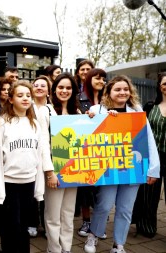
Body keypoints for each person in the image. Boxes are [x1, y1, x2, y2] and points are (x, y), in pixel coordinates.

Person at [84, 75, 160, 253]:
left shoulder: (137, 111)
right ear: (109, 92)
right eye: (117, 89)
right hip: (108, 170)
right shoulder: (97, 109)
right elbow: (85, 133)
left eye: (125, 89)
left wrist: (153, 169)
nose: (122, 92)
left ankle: (119, 244)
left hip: (133, 168)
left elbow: (148, 139)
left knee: (126, 209)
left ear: (130, 91)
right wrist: (91, 118)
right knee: (104, 205)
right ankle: (93, 235)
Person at [0, 80, 52, 253]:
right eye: (20, 95)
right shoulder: (1, 123)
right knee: (11, 228)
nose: (25, 98)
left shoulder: (35, 124)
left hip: (29, 184)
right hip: (9, 184)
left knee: (24, 228)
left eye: (28, 95)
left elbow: (38, 157)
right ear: (10, 99)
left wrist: (38, 191)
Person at [44, 73, 80, 253]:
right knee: (53, 215)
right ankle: (54, 249)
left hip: (73, 170)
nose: (64, 91)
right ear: (54, 90)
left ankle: (66, 248)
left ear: (73, 91)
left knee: (68, 213)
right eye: (61, 87)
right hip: (53, 170)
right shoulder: (46, 111)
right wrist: (49, 172)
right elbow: (43, 143)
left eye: (68, 88)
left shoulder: (78, 112)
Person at [132, 72, 166, 238]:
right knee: (149, 194)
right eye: (165, 84)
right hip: (154, 156)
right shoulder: (150, 106)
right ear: (160, 86)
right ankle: (146, 226)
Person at [76, 68, 108, 238]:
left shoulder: (108, 99)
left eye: (103, 78)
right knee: (85, 189)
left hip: (104, 149)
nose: (101, 81)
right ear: (89, 79)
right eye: (97, 78)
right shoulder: (79, 99)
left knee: (103, 188)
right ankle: (86, 221)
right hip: (84, 150)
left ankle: (99, 223)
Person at [28, 75, 53, 238]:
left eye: (43, 85)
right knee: (31, 190)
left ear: (48, 90)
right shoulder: (27, 105)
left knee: (46, 192)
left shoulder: (51, 109)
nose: (39, 88)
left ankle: (45, 224)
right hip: (29, 153)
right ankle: (31, 223)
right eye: (36, 85)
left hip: (48, 153)